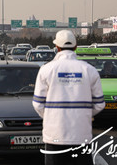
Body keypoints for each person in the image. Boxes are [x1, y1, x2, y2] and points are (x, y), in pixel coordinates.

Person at [32, 30, 105, 165]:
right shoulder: (89, 70)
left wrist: (52, 116)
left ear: (57, 48)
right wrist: (83, 114)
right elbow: (99, 104)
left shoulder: (46, 70)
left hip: (54, 135)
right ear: (76, 47)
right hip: (81, 135)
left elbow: (37, 104)